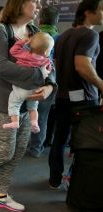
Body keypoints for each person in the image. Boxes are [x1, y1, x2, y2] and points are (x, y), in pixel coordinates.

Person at [0, 0, 56, 212]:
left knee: (17, 151)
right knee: (4, 150)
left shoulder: (34, 31)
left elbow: (48, 62)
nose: (39, 6)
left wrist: (50, 85)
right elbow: (0, 67)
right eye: (34, 2)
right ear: (20, 4)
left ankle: (1, 194)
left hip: (24, 105)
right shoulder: (1, 31)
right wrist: (37, 76)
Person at [49, 0, 103, 189]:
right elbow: (82, 65)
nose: (102, 14)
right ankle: (76, 180)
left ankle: (54, 179)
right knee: (84, 140)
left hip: (63, 95)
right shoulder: (90, 34)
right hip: (84, 99)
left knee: (60, 138)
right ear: (89, 12)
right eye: (101, 10)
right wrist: (101, 84)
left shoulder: (63, 35)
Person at [3, 32, 54, 134]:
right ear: (46, 52)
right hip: (35, 90)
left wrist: (23, 41)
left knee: (14, 103)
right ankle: (34, 123)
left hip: (21, 89)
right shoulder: (45, 61)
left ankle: (15, 122)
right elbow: (49, 71)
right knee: (33, 107)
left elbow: (13, 51)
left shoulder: (24, 55)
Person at [28, 5, 60, 158]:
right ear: (57, 21)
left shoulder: (33, 36)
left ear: (40, 20)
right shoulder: (61, 38)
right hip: (51, 83)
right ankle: (36, 148)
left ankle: (26, 145)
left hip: (31, 80)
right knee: (42, 117)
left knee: (27, 114)